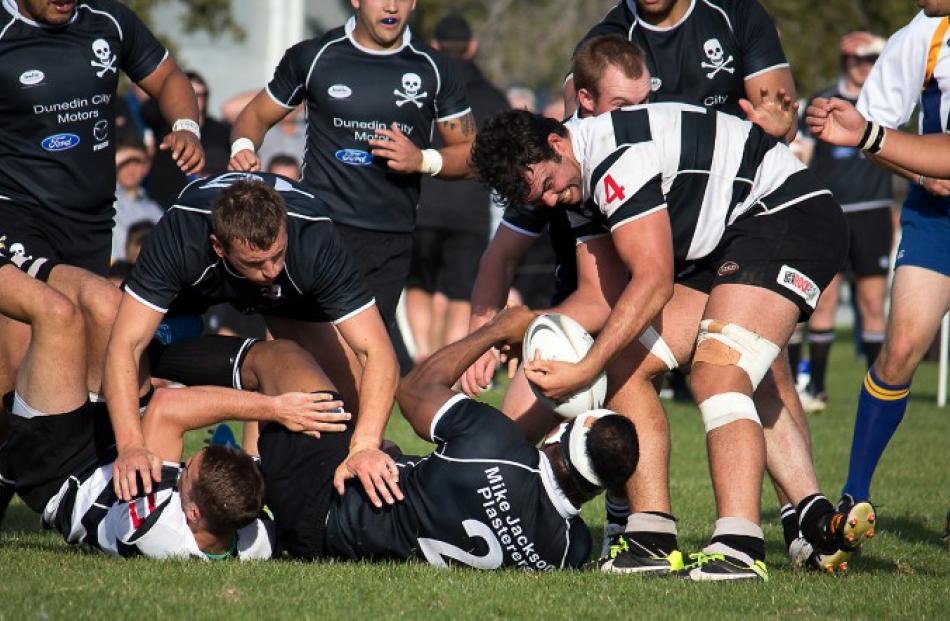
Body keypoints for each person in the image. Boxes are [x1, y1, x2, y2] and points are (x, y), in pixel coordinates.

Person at [470, 105, 876, 581]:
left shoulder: (615, 157)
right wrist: (529, 334)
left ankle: (740, 544)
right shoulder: (573, 180)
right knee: (624, 363)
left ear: (557, 143)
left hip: (790, 215)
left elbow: (654, 281)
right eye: (538, 198)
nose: (552, 200)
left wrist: (581, 367)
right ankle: (652, 536)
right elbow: (605, 299)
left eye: (547, 185)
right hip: (735, 237)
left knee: (718, 370)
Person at [0, 252, 340, 557]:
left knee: (57, 315)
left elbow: (168, 407)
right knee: (109, 306)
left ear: (192, 513)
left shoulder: (156, 529)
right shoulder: (249, 536)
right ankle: (20, 257)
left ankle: (8, 256)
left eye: (187, 469)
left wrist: (274, 408)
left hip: (61, 470)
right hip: (118, 449)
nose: (185, 461)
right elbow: (256, 496)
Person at [259, 305, 640, 569]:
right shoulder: (570, 549)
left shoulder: (495, 443)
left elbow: (413, 390)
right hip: (339, 542)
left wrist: (496, 331)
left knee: (281, 354)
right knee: (376, 433)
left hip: (326, 497)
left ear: (561, 435)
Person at [103, 174, 401, 511]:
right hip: (186, 305)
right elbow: (124, 345)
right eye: (256, 263)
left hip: (289, 298)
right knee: (109, 324)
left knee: (346, 403)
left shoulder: (313, 240)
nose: (272, 270)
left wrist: (365, 443)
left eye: (277, 255)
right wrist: (130, 445)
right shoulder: (181, 233)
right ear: (218, 246)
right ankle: (121, 466)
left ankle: (275, 474)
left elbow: (378, 351)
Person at [229, 0, 476, 375]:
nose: (391, 6)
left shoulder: (434, 68)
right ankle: (265, 433)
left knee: (359, 367)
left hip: (388, 241)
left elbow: (472, 155)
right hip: (318, 228)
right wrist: (244, 149)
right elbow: (254, 116)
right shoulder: (314, 57)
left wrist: (423, 159)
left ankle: (355, 436)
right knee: (285, 356)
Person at [804, 0, 950, 513]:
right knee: (902, 344)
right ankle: (854, 500)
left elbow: (872, 133)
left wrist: (866, 133)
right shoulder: (925, 31)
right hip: (937, 218)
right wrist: (917, 173)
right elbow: (875, 128)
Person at [791, 31, 893, 414]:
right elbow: (801, 151)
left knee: (871, 303)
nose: (863, 67)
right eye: (857, 60)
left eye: (870, 60)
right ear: (846, 60)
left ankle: (878, 390)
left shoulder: (885, 103)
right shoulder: (821, 103)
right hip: (830, 213)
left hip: (873, 212)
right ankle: (815, 387)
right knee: (823, 300)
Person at [405, 14, 509, 360]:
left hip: (423, 205)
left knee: (420, 285)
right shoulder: (494, 98)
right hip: (470, 210)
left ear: (435, 46)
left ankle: (423, 355)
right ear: (473, 47)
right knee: (460, 294)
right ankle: (443, 362)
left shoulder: (419, 90)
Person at [143, 70, 232, 208]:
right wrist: (175, 92)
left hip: (207, 199)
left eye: (200, 95)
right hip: (166, 197)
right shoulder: (164, 125)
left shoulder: (219, 130)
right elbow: (146, 110)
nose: (195, 99)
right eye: (190, 94)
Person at [112, 135, 164, 262]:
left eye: (136, 161)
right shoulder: (105, 203)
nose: (130, 168)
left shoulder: (155, 210)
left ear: (146, 166)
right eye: (124, 163)